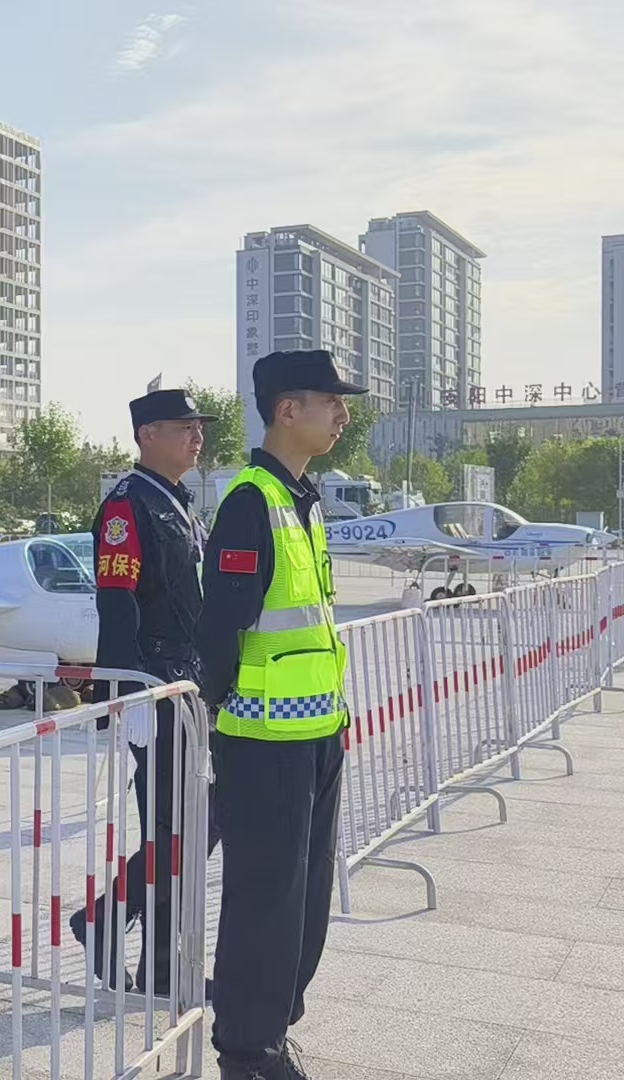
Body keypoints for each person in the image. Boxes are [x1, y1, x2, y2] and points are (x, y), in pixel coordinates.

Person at [196, 350, 361, 1080]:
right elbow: (221, 627)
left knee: (307, 898)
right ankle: (247, 1049)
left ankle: (275, 1020)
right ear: (287, 411)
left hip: (317, 731)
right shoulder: (250, 501)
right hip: (263, 739)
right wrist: (218, 711)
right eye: (331, 402)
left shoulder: (304, 498)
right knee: (265, 898)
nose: (343, 415)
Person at [71, 384, 221, 994]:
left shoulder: (176, 501)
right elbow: (118, 604)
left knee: (196, 821)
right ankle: (152, 959)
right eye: (184, 427)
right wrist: (125, 690)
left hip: (188, 683)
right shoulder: (128, 506)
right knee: (173, 827)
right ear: (147, 436)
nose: (197, 436)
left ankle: (116, 925)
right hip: (154, 684)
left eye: (198, 427)